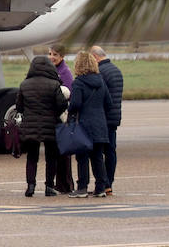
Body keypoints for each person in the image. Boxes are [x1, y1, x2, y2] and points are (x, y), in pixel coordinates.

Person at [15, 55, 68, 197]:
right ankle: (49, 186)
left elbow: (19, 107)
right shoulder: (54, 84)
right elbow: (62, 104)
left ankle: (30, 186)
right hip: (50, 124)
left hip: (30, 125)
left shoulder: (24, 84)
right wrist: (53, 113)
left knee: (32, 157)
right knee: (51, 157)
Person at [68, 50, 113, 198]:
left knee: (82, 158)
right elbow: (109, 103)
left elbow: (75, 104)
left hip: (84, 124)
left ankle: (82, 187)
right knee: (98, 157)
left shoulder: (78, 83)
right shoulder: (101, 82)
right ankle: (100, 188)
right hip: (100, 124)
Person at [91, 45, 124, 195]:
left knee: (99, 152)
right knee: (111, 151)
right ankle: (109, 183)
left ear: (95, 57)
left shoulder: (101, 72)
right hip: (114, 116)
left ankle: (104, 183)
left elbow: (100, 97)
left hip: (103, 117)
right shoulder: (116, 70)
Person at [48, 44, 75, 194]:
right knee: (57, 152)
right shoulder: (53, 70)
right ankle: (60, 183)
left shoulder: (64, 72)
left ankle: (66, 184)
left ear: (62, 57)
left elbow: (69, 94)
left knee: (64, 152)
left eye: (55, 55)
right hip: (54, 117)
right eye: (50, 54)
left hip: (63, 117)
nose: (52, 57)